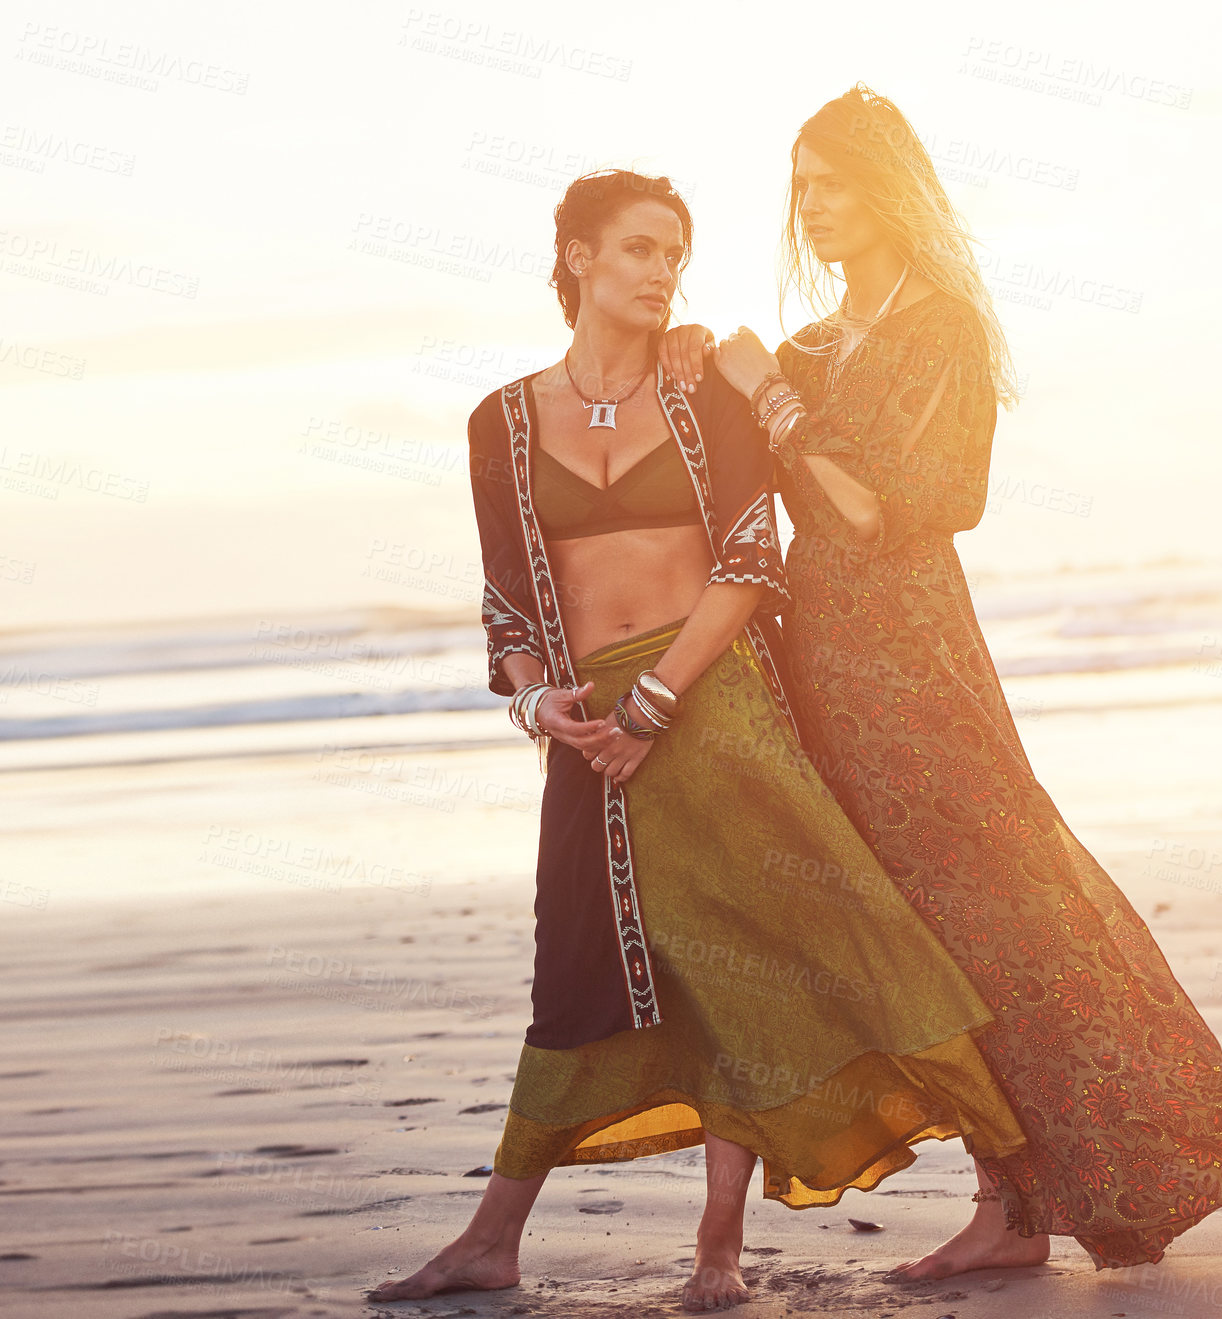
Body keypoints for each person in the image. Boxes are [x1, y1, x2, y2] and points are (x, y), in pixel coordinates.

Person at [659, 84, 1222, 1277]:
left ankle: (1057, 1187)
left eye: (835, 183)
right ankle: (1005, 1203)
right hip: (822, 659)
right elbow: (718, 477)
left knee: (1001, 913)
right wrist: (694, 363)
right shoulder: (808, 343)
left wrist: (769, 392)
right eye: (800, 188)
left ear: (892, 188)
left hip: (915, 657)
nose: (813, 208)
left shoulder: (940, 329)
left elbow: (886, 509)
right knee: (907, 935)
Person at [368, 167, 1035, 1312]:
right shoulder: (504, 418)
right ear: (575, 256)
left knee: (757, 974)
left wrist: (656, 705)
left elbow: (747, 560)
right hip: (590, 733)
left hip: (714, 705)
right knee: (578, 971)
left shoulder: (708, 396)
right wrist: (543, 706)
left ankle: (725, 1249)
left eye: (674, 253)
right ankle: (491, 1238)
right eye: (636, 249)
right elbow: (507, 605)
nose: (660, 272)